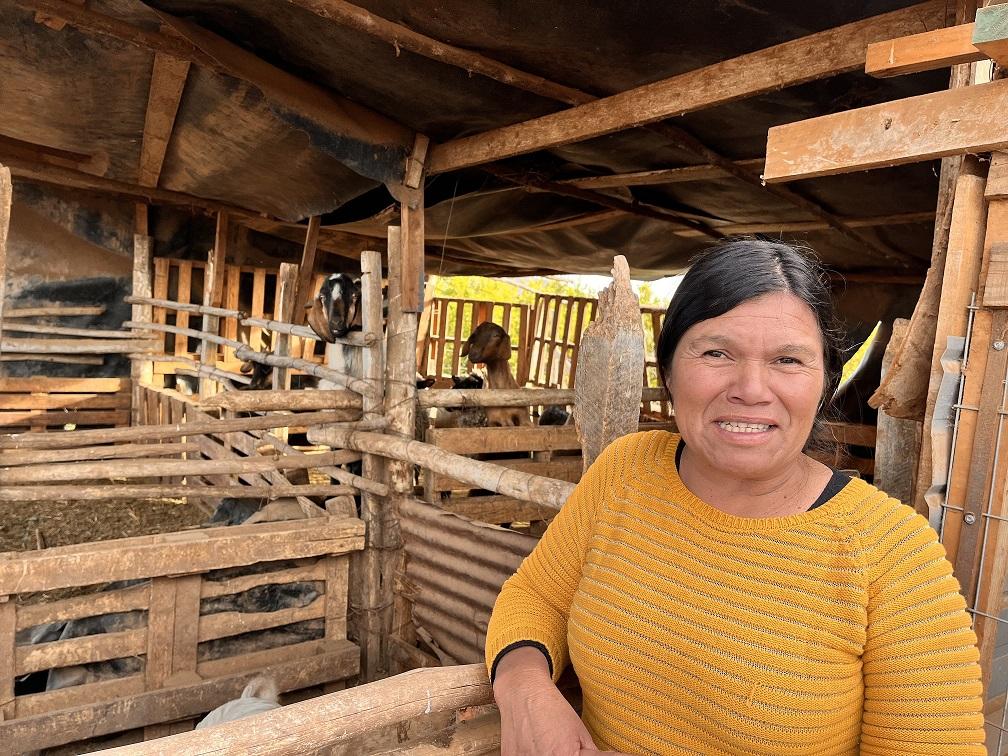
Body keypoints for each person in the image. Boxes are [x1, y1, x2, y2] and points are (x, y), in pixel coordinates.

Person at [485, 239, 986, 755]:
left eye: (788, 359)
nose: (751, 388)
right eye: (716, 352)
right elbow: (537, 596)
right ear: (669, 372)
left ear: (824, 385)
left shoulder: (890, 552)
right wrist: (526, 687)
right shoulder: (625, 472)